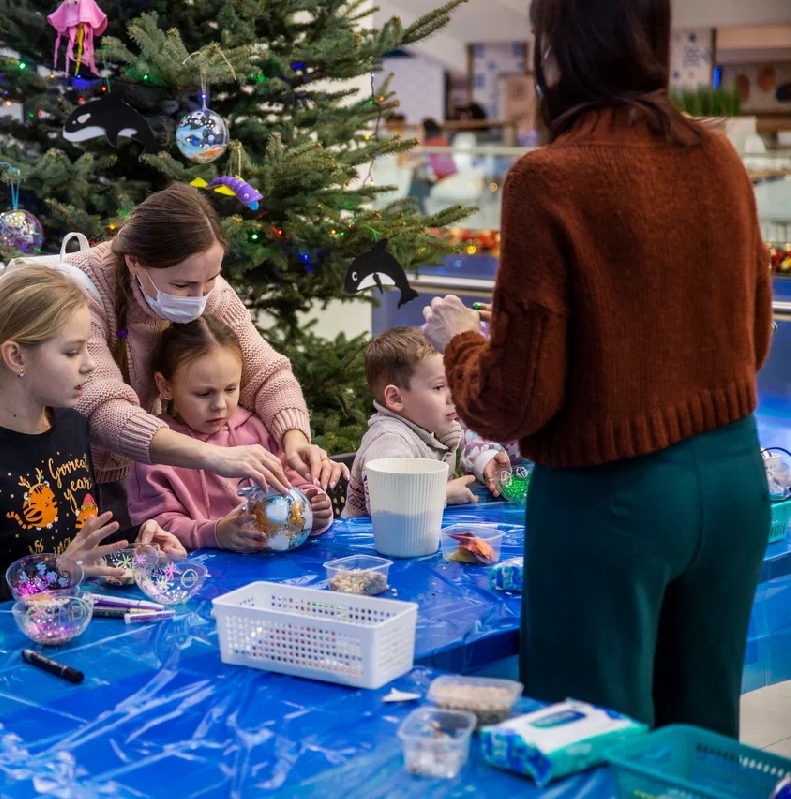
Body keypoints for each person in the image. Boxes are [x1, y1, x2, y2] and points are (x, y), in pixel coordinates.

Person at [420, 0, 772, 738]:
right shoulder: (718, 158)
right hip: (737, 483)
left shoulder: (550, 178)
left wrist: (459, 341)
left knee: (594, 745)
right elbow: (754, 335)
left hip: (614, 502)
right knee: (701, 745)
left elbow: (516, 399)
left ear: (557, 48)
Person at [63, 183, 346, 525]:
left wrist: (294, 439)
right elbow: (101, 407)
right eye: (182, 286)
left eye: (211, 279)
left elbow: (265, 371)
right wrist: (215, 456)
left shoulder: (203, 286)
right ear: (135, 262)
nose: (198, 298)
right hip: (66, 476)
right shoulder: (77, 290)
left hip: (133, 473)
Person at [0, 267, 185, 614]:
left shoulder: (71, 426)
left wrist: (136, 543)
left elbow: (75, 544)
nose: (89, 365)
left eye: (87, 348)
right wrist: (56, 573)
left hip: (70, 629)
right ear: (16, 357)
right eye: (72, 352)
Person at [127, 316, 334, 552]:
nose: (220, 405)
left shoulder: (256, 430)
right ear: (165, 386)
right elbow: (156, 528)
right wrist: (215, 533)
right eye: (204, 394)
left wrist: (312, 505)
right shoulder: (156, 452)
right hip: (196, 577)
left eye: (230, 389)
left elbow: (290, 483)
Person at [341, 327, 514, 518]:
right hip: (368, 545)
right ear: (396, 398)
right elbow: (385, 507)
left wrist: (485, 467)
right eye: (439, 386)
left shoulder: (432, 430)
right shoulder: (390, 441)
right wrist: (444, 494)